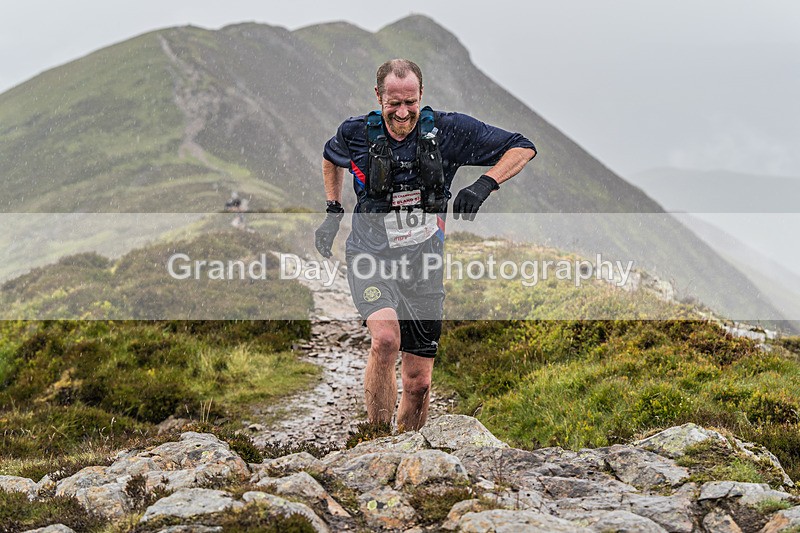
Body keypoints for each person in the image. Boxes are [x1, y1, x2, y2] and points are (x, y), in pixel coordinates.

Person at [314, 59, 536, 431]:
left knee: (419, 383)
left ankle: (406, 451)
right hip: (371, 256)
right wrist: (333, 211)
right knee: (385, 340)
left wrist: (485, 183)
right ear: (378, 97)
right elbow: (330, 157)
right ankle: (374, 441)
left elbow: (522, 147)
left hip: (424, 266)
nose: (403, 113)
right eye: (393, 103)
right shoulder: (355, 133)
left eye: (410, 103)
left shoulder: (450, 132)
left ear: (421, 96)